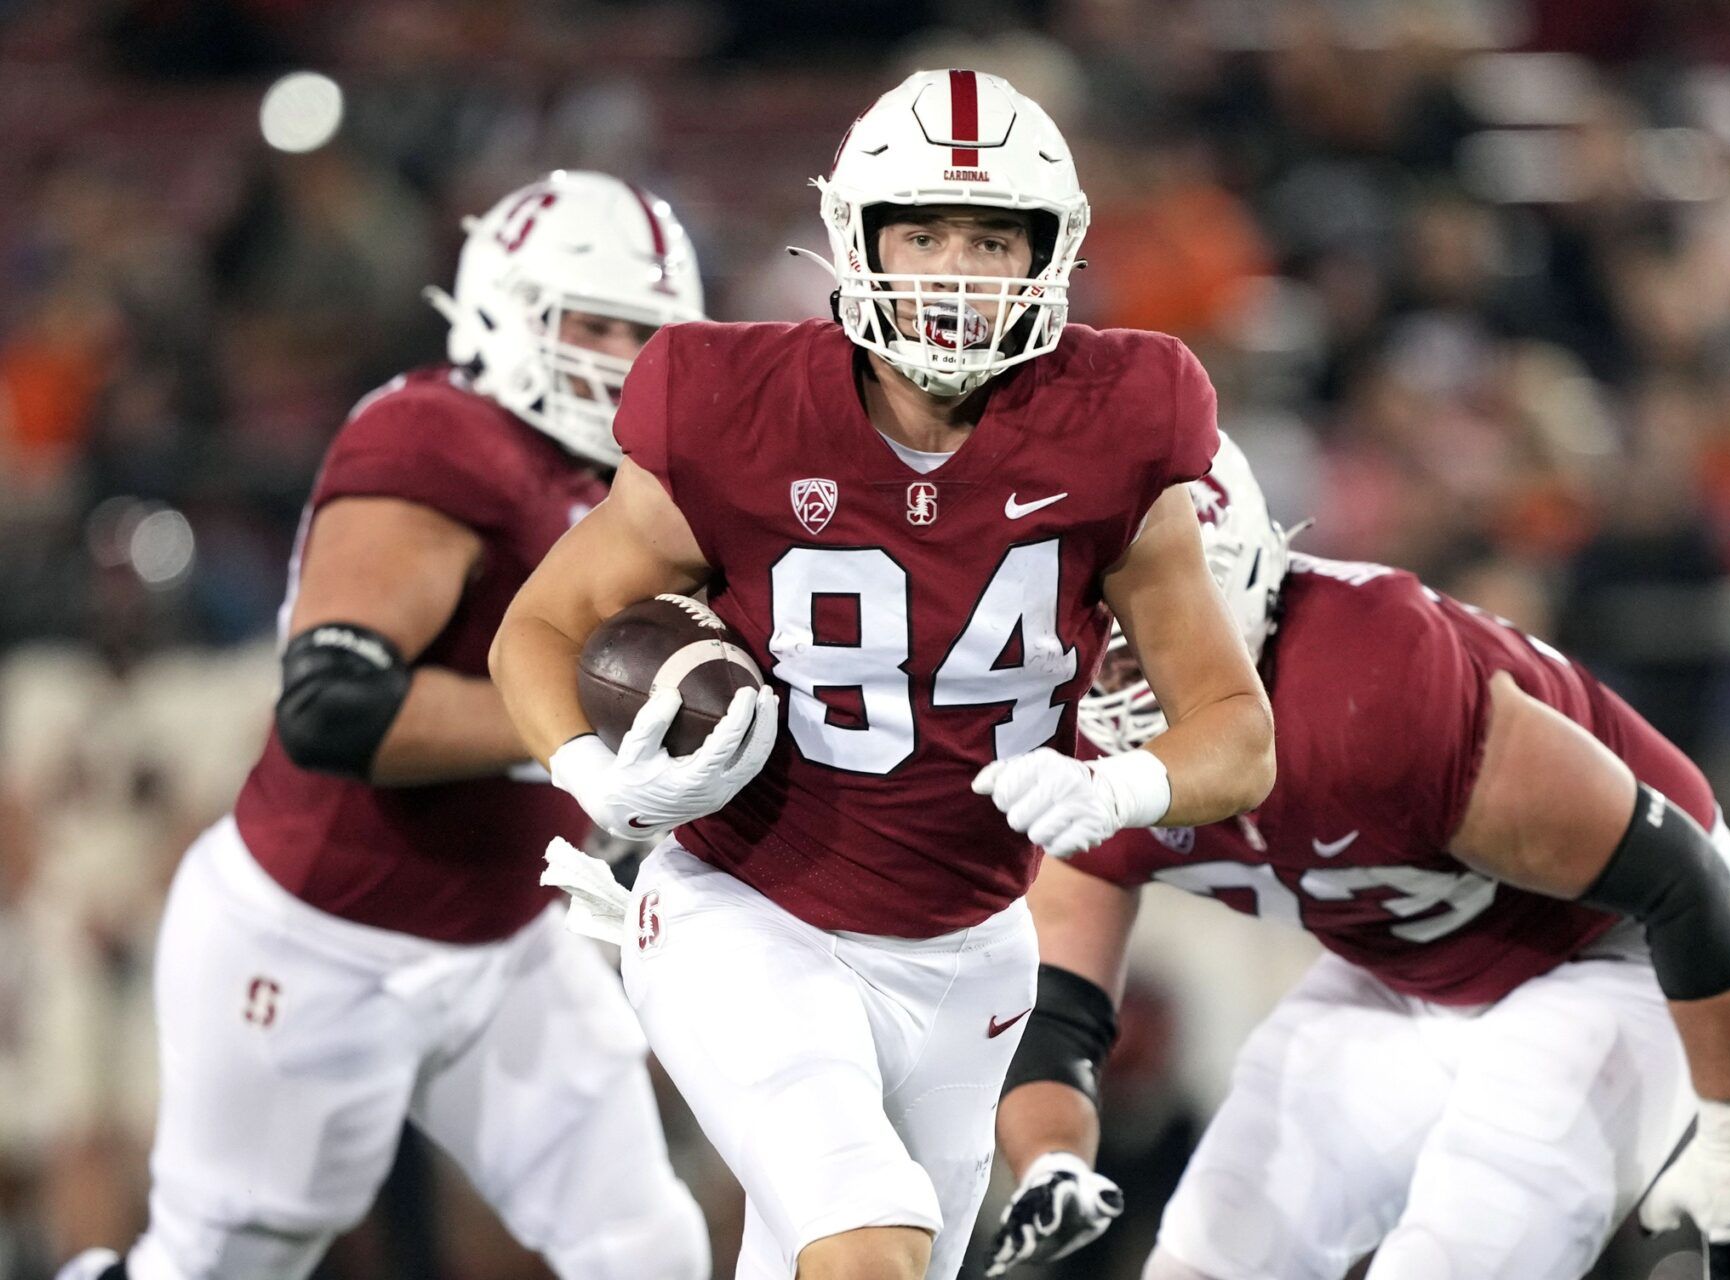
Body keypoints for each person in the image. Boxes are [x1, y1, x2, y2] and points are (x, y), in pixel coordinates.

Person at [493, 69, 1276, 1280]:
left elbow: (1235, 730)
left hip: (977, 949)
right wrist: (597, 776)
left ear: (1047, 254)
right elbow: (537, 629)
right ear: (860, 239)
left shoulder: (1121, 418)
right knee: (872, 1244)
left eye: (988, 238)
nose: (956, 270)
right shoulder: (735, 406)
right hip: (749, 913)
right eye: (924, 232)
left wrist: (1124, 787)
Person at [57, 171, 713, 1280]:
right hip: (320, 938)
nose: (617, 355)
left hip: (506, 938)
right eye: (589, 321)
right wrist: (582, 724)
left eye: (644, 332)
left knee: (646, 1245)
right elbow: (336, 702)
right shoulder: (439, 438)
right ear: (504, 310)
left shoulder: (647, 483)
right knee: (227, 1263)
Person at [989, 432, 1730, 1280]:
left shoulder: (1368, 685)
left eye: (1150, 623)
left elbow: (1684, 882)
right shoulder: (1067, 743)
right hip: (1399, 959)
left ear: (1229, 580)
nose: (1121, 674)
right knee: (1208, 1255)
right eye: (1098, 625)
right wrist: (1054, 1162)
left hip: (1610, 946)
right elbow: (1058, 1010)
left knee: (1456, 1254)